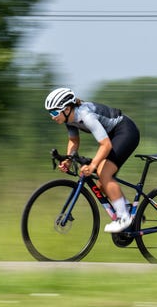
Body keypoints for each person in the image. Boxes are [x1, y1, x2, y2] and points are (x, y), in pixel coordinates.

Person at [44, 87, 140, 233]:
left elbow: (106, 145)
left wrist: (93, 165)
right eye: (50, 113)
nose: (52, 116)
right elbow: (74, 141)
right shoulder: (69, 119)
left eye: (54, 112)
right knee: (101, 185)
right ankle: (129, 209)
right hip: (112, 136)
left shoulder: (85, 115)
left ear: (67, 108)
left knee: (104, 173)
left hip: (125, 131)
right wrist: (68, 160)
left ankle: (123, 217)